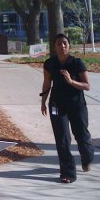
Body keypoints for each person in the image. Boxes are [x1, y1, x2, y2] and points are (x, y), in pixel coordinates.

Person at [40, 33, 94, 184]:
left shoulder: (77, 63)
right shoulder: (50, 64)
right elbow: (46, 84)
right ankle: (68, 172)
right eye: (59, 44)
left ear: (69, 46)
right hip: (57, 105)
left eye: (65, 43)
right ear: (55, 47)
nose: (62, 46)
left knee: (81, 135)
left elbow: (87, 86)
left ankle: (87, 158)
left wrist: (71, 81)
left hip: (77, 105)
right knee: (62, 139)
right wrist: (43, 101)